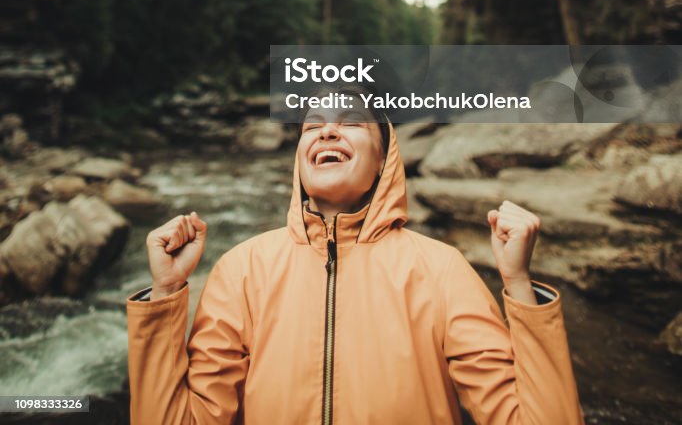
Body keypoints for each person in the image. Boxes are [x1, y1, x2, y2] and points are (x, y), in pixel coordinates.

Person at [127, 102, 584, 424]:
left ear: (384, 160)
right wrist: (166, 293)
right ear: (299, 160)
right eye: (312, 126)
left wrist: (519, 285)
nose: (327, 131)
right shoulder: (242, 269)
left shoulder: (442, 269)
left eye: (351, 123)